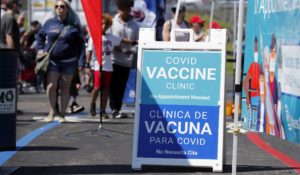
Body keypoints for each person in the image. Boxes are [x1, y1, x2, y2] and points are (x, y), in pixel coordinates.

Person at [36, 0, 85, 122]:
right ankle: (52, 111)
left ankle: (62, 114)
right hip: (52, 61)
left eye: (62, 6)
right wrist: (40, 49)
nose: (59, 8)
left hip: (69, 62)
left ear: (67, 9)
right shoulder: (49, 23)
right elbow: (39, 36)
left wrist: (81, 62)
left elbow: (81, 45)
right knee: (51, 86)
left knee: (65, 88)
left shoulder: (74, 24)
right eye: (56, 6)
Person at [109, 0, 139, 119]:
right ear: (118, 9)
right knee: (113, 85)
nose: (125, 11)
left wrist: (132, 50)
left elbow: (137, 42)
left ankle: (118, 107)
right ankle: (113, 108)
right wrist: (114, 48)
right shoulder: (112, 23)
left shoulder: (135, 26)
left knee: (121, 85)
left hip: (127, 60)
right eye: (122, 8)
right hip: (113, 59)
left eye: (127, 8)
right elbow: (108, 39)